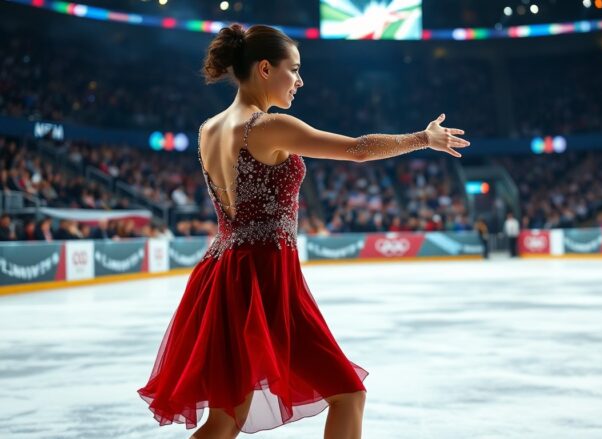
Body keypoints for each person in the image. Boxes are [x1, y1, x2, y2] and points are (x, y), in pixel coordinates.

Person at [136, 23, 470, 439]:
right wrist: (423, 138)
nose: (299, 80)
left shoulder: (209, 129)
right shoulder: (269, 127)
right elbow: (358, 149)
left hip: (223, 273)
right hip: (266, 275)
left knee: (225, 419)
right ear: (263, 69)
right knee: (347, 394)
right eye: (292, 70)